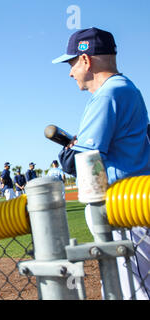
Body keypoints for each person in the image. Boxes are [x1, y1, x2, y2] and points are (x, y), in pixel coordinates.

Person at [53, 27, 150, 299]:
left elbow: (82, 161)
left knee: (131, 292)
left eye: (71, 63)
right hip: (135, 204)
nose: (70, 72)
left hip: (125, 210)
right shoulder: (127, 87)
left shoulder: (108, 94)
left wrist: (69, 153)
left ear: (86, 60)